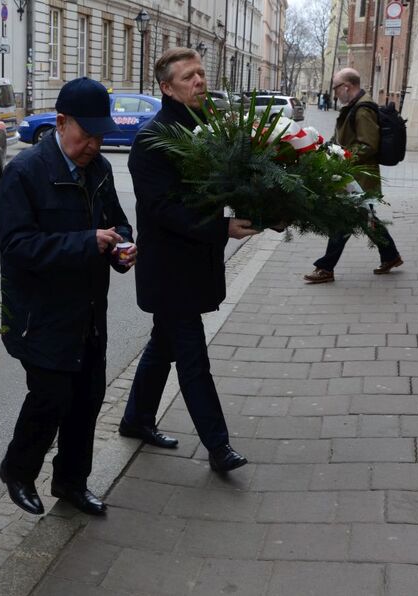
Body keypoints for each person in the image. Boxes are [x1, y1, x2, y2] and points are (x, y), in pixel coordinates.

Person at [0, 77, 135, 516]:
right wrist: (86, 242)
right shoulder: (25, 172)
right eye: (86, 134)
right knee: (50, 399)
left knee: (87, 400)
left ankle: (72, 483)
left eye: (100, 135)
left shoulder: (100, 169)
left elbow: (118, 222)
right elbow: (17, 247)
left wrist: (122, 247)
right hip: (40, 315)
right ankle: (18, 471)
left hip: (89, 311)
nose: (94, 144)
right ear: (60, 123)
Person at [118, 47, 259, 473]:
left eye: (200, 73)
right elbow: (163, 209)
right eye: (188, 77)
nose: (199, 81)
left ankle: (136, 419)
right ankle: (218, 447)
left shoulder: (206, 127)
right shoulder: (153, 139)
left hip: (196, 261)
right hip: (170, 269)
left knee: (163, 345)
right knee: (192, 355)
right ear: (166, 87)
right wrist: (222, 228)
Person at [304, 68, 403, 284]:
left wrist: (342, 157)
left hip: (360, 177)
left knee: (343, 220)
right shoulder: (354, 106)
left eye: (336, 88)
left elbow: (368, 144)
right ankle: (390, 256)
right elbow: (343, 138)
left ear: (347, 86)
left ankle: (325, 268)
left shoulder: (362, 109)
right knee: (367, 219)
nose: (335, 93)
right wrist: (326, 148)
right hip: (355, 176)